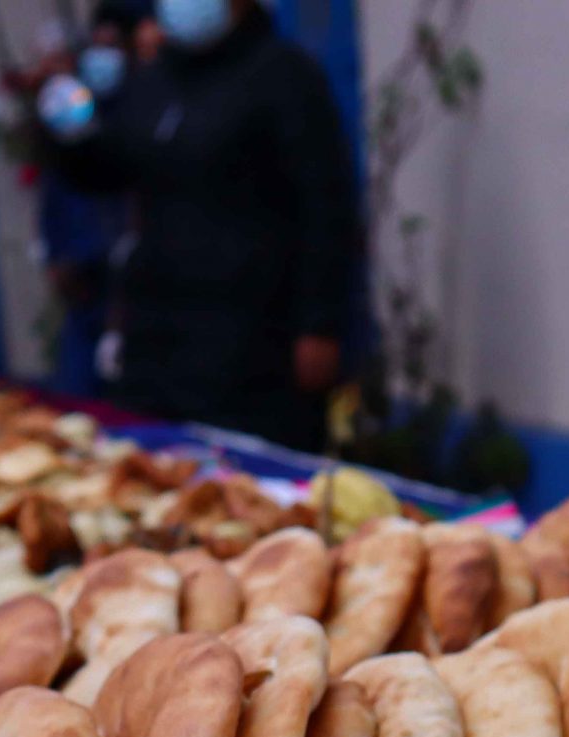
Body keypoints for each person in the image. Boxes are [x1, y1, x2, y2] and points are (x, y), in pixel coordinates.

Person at [41, 0, 359, 450]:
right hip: (157, 340)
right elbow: (112, 168)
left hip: (252, 344)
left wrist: (320, 325)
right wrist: (71, 133)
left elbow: (326, 205)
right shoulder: (154, 81)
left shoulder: (284, 75)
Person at [34, 3, 144, 395]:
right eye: (96, 45)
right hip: (82, 282)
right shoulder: (77, 108)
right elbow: (57, 187)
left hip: (131, 284)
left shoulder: (145, 110)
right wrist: (56, 254)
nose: (102, 57)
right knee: (78, 393)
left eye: (112, 45)